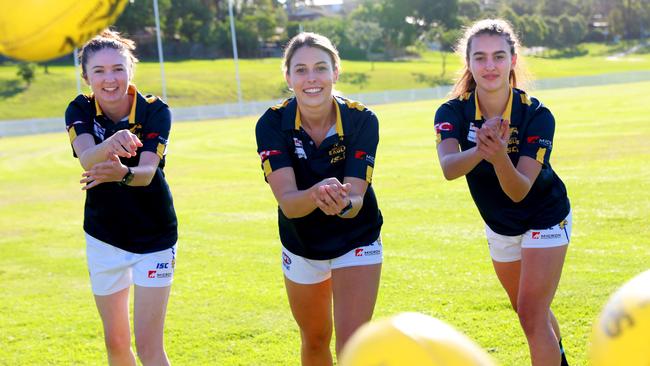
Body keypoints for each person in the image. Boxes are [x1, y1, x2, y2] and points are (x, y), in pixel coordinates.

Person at [434, 19, 572, 366]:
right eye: (479, 58)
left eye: (498, 56)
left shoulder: (536, 114)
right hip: (500, 225)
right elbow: (450, 168)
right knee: (528, 310)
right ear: (468, 62)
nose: (489, 65)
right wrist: (482, 150)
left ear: (513, 59)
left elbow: (519, 189)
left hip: (545, 215)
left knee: (530, 313)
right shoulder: (451, 112)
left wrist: (496, 156)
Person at [255, 32, 383, 365]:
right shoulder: (270, 123)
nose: (311, 78)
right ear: (288, 77)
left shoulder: (362, 119)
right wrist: (316, 194)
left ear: (335, 72)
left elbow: (356, 198)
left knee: (352, 347)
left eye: (320, 68)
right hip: (302, 243)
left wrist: (342, 203)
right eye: (300, 70)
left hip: (356, 236)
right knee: (314, 340)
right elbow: (289, 203)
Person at [65, 30, 177, 366]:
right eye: (98, 71)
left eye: (118, 68)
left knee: (149, 346)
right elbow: (87, 159)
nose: (110, 79)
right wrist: (112, 144)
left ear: (130, 70)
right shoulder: (79, 108)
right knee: (115, 343)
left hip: (154, 235)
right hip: (104, 236)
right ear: (86, 77)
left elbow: (146, 173)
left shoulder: (155, 111)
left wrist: (122, 174)